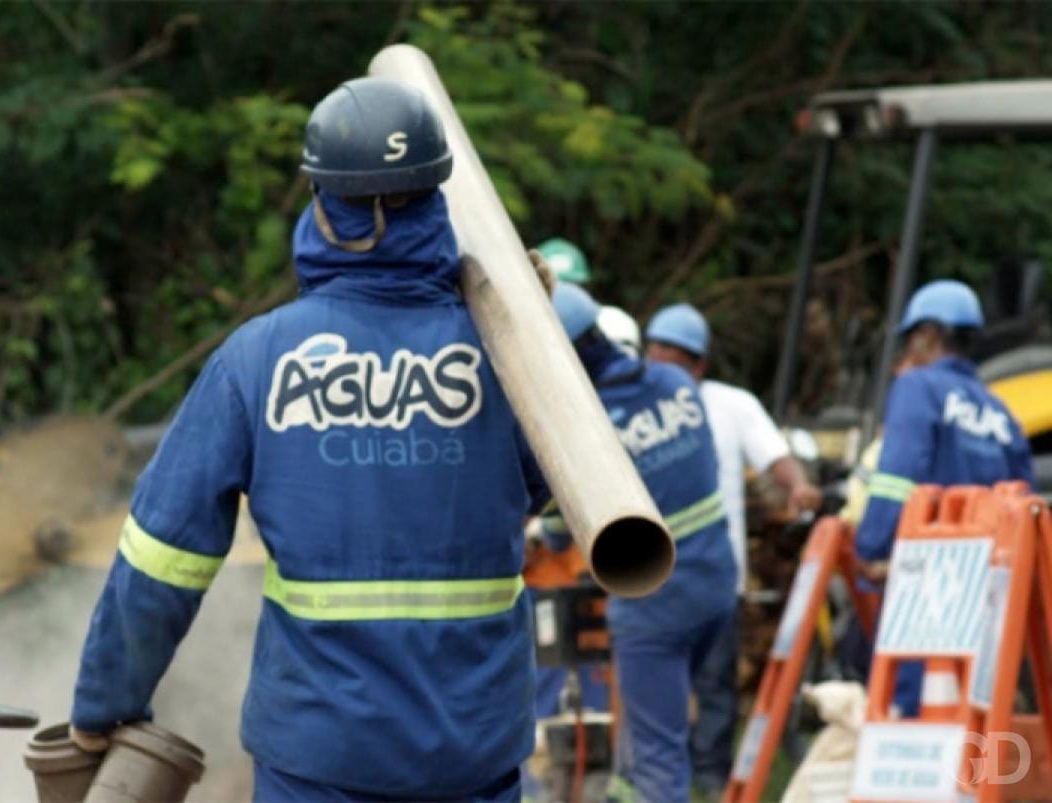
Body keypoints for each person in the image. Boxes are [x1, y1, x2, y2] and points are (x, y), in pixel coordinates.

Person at [69, 76, 551, 802]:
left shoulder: (255, 360)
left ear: (322, 202)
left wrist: (104, 706)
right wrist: (533, 335)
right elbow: (547, 486)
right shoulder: (508, 353)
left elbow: (160, 560)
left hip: (321, 758)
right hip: (475, 756)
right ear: (436, 196)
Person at [547, 284, 736, 803]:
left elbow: (562, 529)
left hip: (656, 607)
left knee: (658, 756)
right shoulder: (677, 381)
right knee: (646, 736)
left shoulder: (589, 428)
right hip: (718, 588)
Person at [643, 302, 821, 793]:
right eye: (654, 355)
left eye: (674, 359)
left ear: (699, 366)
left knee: (716, 686)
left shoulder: (730, 405)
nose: (661, 367)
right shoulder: (634, 404)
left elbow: (774, 455)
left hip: (717, 576)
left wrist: (798, 486)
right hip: (649, 579)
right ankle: (659, 777)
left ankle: (712, 777)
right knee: (656, 690)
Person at [854, 279, 1032, 714]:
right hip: (989, 589)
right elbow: (1023, 501)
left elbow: (898, 474)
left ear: (928, 335)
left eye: (912, 339)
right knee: (967, 707)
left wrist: (872, 544)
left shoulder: (919, 388)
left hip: (929, 583)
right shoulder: (1000, 412)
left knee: (914, 707)